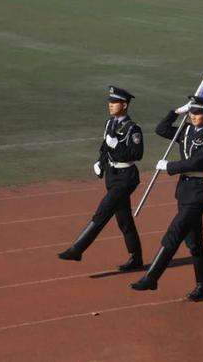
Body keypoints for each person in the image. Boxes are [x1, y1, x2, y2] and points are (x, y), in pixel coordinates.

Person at [130, 96, 203, 301]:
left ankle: (152, 277)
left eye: (197, 112)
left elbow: (198, 162)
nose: (193, 115)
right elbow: (161, 129)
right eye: (192, 112)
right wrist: (176, 112)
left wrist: (170, 166)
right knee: (195, 242)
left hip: (200, 191)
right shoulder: (186, 129)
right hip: (185, 190)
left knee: (175, 232)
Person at [57, 86, 144, 272]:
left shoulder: (132, 129)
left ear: (125, 105)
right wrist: (100, 163)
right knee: (124, 219)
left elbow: (137, 154)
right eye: (110, 102)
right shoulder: (109, 124)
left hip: (126, 177)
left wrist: (117, 147)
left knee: (103, 212)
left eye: (114, 102)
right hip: (112, 176)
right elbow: (105, 147)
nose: (110, 105)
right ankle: (136, 258)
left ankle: (77, 249)